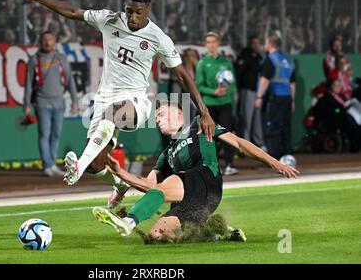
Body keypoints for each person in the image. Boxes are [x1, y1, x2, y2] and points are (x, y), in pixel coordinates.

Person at [15, 0, 215, 207]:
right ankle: (120, 183)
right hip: (104, 99)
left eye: (138, 13)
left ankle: (78, 166)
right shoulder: (109, 19)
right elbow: (72, 12)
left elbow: (182, 76)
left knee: (112, 115)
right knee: (97, 166)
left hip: (135, 102)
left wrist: (204, 111)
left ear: (147, 10)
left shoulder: (158, 38)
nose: (132, 17)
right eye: (129, 11)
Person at [92, 100, 299, 241]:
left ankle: (128, 221)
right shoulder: (167, 153)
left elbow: (239, 144)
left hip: (206, 182)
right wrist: (120, 173)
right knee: (157, 234)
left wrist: (275, 163)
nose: (158, 120)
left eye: (162, 114)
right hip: (191, 202)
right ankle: (215, 232)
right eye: (156, 118)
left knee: (168, 185)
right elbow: (149, 186)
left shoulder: (200, 126)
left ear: (179, 114)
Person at [23, 31, 79, 176]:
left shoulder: (61, 58)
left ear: (55, 41)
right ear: (40, 42)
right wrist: (27, 105)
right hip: (42, 103)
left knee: (56, 135)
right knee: (44, 134)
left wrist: (75, 100)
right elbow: (28, 84)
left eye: (50, 39)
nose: (47, 42)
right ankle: (47, 165)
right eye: (44, 39)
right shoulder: (34, 60)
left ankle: (52, 163)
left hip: (59, 103)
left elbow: (70, 80)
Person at [196, 31, 238, 175]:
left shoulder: (225, 62)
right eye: (208, 42)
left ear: (218, 44)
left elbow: (233, 84)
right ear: (205, 45)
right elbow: (199, 86)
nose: (211, 45)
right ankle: (211, 167)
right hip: (209, 105)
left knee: (227, 135)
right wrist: (213, 92)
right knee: (209, 136)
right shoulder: (202, 63)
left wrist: (227, 90)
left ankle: (230, 165)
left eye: (213, 42)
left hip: (225, 103)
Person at [256, 34, 295, 160]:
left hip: (274, 98)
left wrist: (259, 97)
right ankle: (287, 156)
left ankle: (274, 158)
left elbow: (264, 81)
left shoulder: (270, 60)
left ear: (270, 45)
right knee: (286, 128)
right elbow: (293, 84)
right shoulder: (288, 60)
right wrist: (292, 100)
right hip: (287, 98)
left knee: (272, 127)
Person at [235, 35, 266, 150]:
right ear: (250, 43)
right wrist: (239, 89)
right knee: (246, 118)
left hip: (257, 92)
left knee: (257, 118)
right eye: (254, 43)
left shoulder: (258, 56)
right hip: (247, 91)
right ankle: (245, 144)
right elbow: (239, 73)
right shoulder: (245, 55)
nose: (256, 45)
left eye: (258, 43)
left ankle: (258, 142)